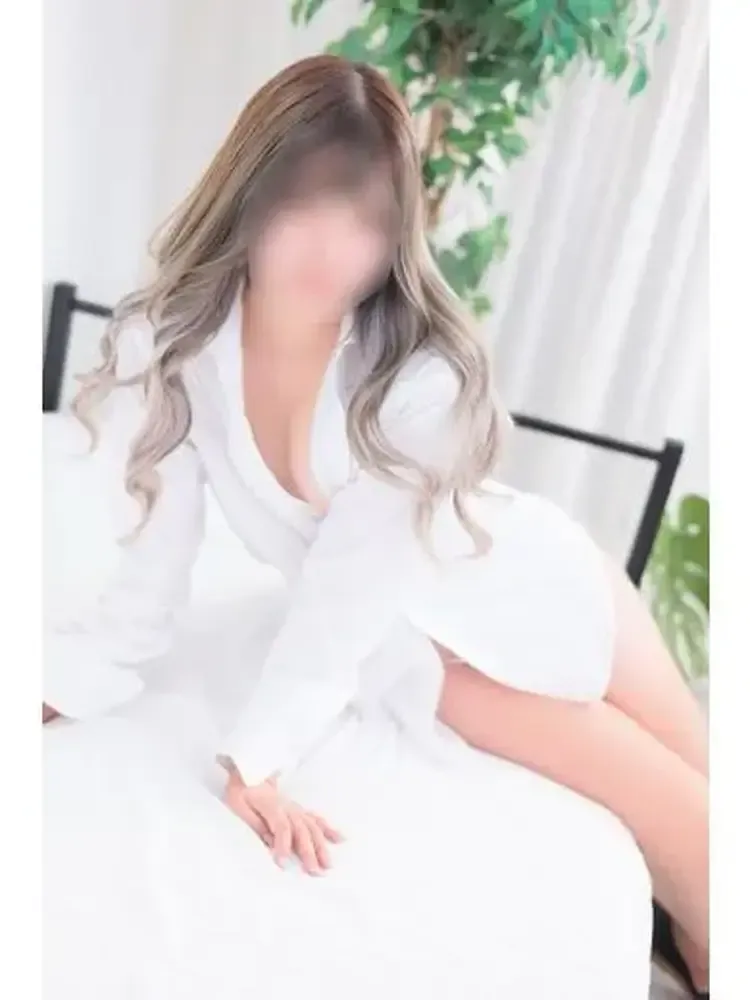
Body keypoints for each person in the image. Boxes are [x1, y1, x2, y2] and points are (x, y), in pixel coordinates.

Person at [43, 55, 708, 998]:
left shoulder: (414, 373)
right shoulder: (179, 343)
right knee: (708, 873)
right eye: (308, 203)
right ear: (249, 190)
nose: (334, 248)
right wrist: (66, 684)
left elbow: (348, 586)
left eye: (367, 219)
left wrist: (255, 759)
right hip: (442, 657)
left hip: (549, 588)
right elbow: (159, 574)